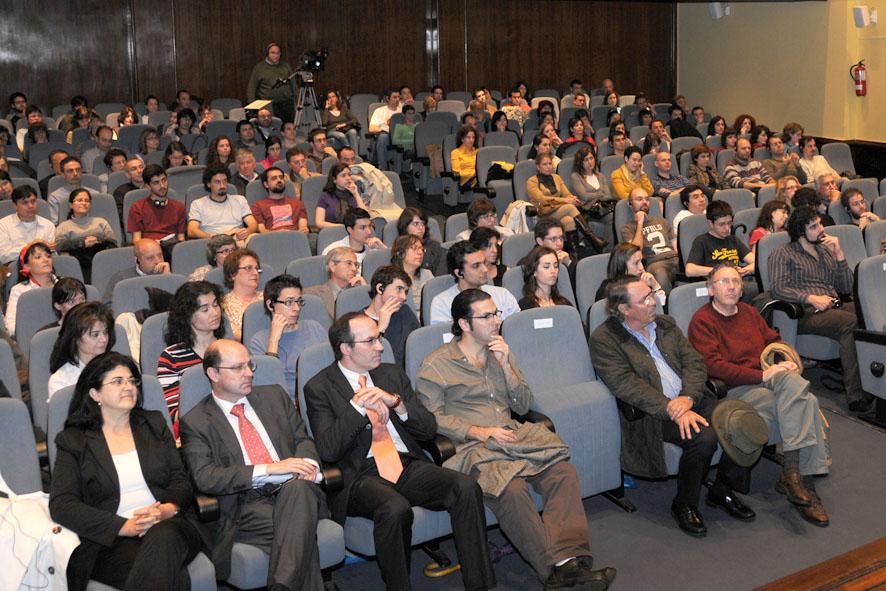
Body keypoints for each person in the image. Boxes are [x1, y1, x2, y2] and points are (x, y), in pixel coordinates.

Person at [417, 289, 616, 589]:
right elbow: (432, 419)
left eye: (496, 313)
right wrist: (478, 431)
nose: (496, 320)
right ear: (465, 324)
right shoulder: (436, 364)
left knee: (562, 473)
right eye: (487, 316)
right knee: (512, 489)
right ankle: (551, 571)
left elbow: (523, 405)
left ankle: (568, 561)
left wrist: (508, 365)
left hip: (511, 437)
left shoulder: (500, 351)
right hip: (473, 447)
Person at [303, 313, 495, 591]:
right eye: (370, 341)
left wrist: (397, 404)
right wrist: (357, 407)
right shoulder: (319, 387)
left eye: (378, 338)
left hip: (403, 462)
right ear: (346, 348)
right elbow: (329, 450)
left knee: (464, 486)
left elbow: (428, 430)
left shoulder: (390, 373)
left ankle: (480, 584)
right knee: (395, 509)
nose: (380, 346)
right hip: (360, 475)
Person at [590, 276, 759, 537]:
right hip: (652, 414)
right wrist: (671, 408)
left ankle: (721, 489)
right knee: (703, 438)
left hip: (689, 399)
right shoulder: (605, 339)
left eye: (651, 294)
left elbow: (695, 363)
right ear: (624, 309)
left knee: (739, 421)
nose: (653, 301)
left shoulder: (665, 324)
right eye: (644, 299)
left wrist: (688, 398)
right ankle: (684, 503)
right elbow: (626, 386)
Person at [688, 264, 831, 527]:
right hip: (738, 389)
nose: (731, 286)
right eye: (723, 282)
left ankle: (793, 476)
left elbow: (773, 339)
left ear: (742, 288)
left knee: (797, 390)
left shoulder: (749, 312)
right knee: (807, 400)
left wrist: (781, 358)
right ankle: (801, 480)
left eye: (735, 281)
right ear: (710, 288)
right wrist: (764, 376)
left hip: (769, 381)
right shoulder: (702, 321)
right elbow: (713, 366)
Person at [180, 339, 330, 590]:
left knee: (298, 492)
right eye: (238, 368)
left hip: (295, 487)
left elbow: (303, 440)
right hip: (245, 504)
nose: (249, 373)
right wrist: (270, 469)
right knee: (300, 533)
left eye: (249, 365)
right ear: (213, 373)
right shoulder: (196, 421)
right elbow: (205, 477)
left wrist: (304, 466)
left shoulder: (274, 396)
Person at [49, 352, 205, 591]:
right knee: (171, 574)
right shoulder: (74, 440)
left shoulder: (152, 424)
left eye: (132, 381)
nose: (129, 387)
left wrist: (166, 509)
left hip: (170, 526)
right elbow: (62, 504)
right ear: (95, 394)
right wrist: (124, 526)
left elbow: (180, 480)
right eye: (118, 381)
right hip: (110, 540)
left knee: (164, 538)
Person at [769, 206, 874, 413]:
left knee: (867, 311)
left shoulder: (825, 250)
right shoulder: (782, 254)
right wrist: (810, 298)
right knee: (850, 323)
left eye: (820, 224)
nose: (821, 229)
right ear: (801, 231)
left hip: (833, 306)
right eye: (814, 226)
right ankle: (856, 395)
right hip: (803, 314)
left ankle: (874, 380)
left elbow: (846, 288)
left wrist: (840, 255)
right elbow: (778, 289)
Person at [156, 281, 225, 437]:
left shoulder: (230, 349)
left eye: (215, 305)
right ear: (187, 315)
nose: (215, 313)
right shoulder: (172, 356)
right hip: (196, 430)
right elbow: (173, 410)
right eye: (205, 309)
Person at [247, 274, 326, 395]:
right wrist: (274, 340)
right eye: (289, 302)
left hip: (322, 395)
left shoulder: (314, 327)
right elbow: (267, 383)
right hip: (286, 402)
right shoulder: (259, 341)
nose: (296, 308)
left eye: (299, 302)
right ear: (270, 305)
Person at [429, 240, 519, 325]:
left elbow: (517, 329)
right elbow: (447, 339)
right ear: (459, 273)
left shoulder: (503, 295)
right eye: (476, 266)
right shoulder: (442, 303)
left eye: (484, 263)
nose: (485, 269)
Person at [684, 201, 758, 300]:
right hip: (718, 284)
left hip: (737, 281)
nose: (727, 228)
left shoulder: (733, 240)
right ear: (710, 223)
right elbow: (690, 270)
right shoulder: (702, 241)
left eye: (729, 223)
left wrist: (744, 271)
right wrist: (723, 271)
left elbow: (756, 263)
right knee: (754, 290)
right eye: (722, 224)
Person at [48, 302, 114, 401]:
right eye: (95, 335)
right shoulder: (61, 381)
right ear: (76, 339)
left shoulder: (116, 366)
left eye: (105, 332)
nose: (104, 339)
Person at [621, 187, 678, 292]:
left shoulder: (662, 221)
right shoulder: (628, 228)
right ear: (630, 204)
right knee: (660, 274)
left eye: (647, 199)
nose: (644, 202)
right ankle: (665, 306)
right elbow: (635, 251)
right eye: (639, 199)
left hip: (675, 258)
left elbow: (676, 246)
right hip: (655, 263)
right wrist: (640, 223)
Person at [359, 265, 418, 367]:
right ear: (380, 288)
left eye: (406, 291)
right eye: (399, 289)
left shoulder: (405, 312)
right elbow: (363, 361)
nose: (404, 297)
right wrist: (380, 328)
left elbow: (418, 347)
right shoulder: (358, 322)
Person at [55, 188, 117, 281]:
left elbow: (112, 242)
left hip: (100, 261)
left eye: (87, 201)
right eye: (80, 200)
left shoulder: (101, 222)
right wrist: (82, 243)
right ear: (71, 205)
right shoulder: (64, 226)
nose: (84, 203)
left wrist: (97, 241)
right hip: (77, 263)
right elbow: (59, 246)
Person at [188, 166, 257, 241]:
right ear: (208, 184)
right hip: (214, 240)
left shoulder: (240, 200)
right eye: (217, 182)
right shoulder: (198, 204)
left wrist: (247, 232)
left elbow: (253, 224)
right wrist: (212, 237)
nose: (222, 185)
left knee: (255, 238)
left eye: (224, 181)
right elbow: (191, 230)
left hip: (237, 237)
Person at [5, 241, 58, 334]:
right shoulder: (19, 290)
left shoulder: (64, 284)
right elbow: (10, 325)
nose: (46, 260)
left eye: (48, 256)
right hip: (32, 338)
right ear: (26, 266)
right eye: (38, 257)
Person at [127, 164, 187, 243]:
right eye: (156, 182)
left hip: (172, 248)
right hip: (148, 250)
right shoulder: (137, 207)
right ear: (148, 186)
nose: (162, 186)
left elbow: (181, 239)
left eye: (164, 180)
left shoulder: (179, 207)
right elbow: (136, 241)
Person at [102, 238, 171, 304]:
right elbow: (108, 306)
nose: (158, 261)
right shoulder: (121, 279)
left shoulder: (166, 273)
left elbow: (177, 305)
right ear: (137, 260)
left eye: (160, 255)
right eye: (150, 258)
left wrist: (168, 279)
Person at [595, 242, 667, 304]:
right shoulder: (608, 290)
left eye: (642, 262)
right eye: (636, 263)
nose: (641, 267)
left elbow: (661, 310)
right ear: (621, 266)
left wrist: (655, 286)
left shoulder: (643, 282)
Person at [304, 247, 366, 318]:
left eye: (356, 265)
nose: (354, 269)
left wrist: (365, 292)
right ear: (333, 266)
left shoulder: (358, 293)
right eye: (349, 263)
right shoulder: (312, 294)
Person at [0, 185, 55, 264]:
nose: (31, 206)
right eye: (25, 203)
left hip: (42, 268)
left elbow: (50, 254)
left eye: (33, 201)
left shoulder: (48, 225)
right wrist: (30, 247)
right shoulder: (3, 225)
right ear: (15, 205)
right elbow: (4, 256)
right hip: (15, 270)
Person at [321, 208, 387, 272]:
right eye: (362, 228)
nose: (369, 232)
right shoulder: (332, 251)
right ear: (350, 230)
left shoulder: (374, 249)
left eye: (369, 226)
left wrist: (383, 249)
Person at [220, 249, 263, 342]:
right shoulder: (223, 304)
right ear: (232, 274)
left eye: (257, 268)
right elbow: (230, 336)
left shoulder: (268, 299)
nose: (255, 273)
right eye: (248, 268)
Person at [247, 42, 295, 124]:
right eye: (273, 53)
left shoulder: (285, 66)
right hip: (269, 106)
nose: (276, 55)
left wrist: (297, 101)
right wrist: (254, 108)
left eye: (278, 53)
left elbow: (294, 85)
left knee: (288, 127)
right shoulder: (259, 67)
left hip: (287, 104)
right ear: (267, 54)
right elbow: (251, 88)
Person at [251, 167, 309, 233]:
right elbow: (262, 230)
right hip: (271, 239)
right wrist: (279, 234)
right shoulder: (258, 206)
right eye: (274, 178)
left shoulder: (298, 203)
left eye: (281, 177)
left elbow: (303, 227)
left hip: (294, 238)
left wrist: (304, 230)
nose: (279, 180)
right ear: (266, 184)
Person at [396, 207, 447, 276]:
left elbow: (440, 278)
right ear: (405, 226)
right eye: (416, 224)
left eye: (423, 224)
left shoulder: (435, 247)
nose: (421, 228)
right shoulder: (399, 249)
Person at [316, 163, 369, 229]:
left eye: (349, 175)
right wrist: (342, 227)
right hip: (332, 232)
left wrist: (356, 194)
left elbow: (365, 217)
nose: (348, 178)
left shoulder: (353, 194)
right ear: (334, 180)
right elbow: (319, 223)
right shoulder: (325, 196)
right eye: (343, 175)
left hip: (353, 232)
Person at [48, 156, 100, 223]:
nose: (75, 174)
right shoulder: (55, 197)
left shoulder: (95, 194)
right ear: (63, 174)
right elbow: (54, 224)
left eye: (78, 170)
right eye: (70, 171)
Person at [390, 235, 433, 315]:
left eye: (421, 249)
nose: (420, 252)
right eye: (414, 248)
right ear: (400, 253)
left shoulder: (427, 274)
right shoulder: (392, 279)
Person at [369, 89, 402, 170]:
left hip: (401, 135)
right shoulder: (379, 111)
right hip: (387, 136)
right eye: (394, 97)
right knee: (383, 137)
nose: (397, 99)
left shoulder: (402, 111)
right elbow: (372, 128)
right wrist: (383, 130)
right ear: (388, 98)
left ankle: (406, 169)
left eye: (398, 97)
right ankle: (382, 169)